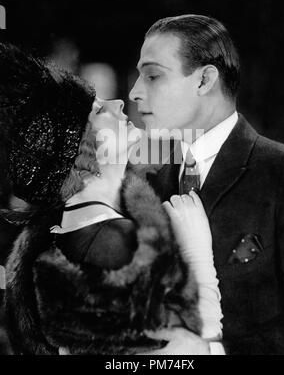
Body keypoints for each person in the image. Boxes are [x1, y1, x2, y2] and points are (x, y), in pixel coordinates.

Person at [0, 42, 222, 355]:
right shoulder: (119, 243)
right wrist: (198, 256)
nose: (119, 103)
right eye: (100, 110)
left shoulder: (63, 233)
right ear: (81, 148)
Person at [129, 14, 284, 355]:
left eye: (152, 76)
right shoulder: (141, 183)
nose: (135, 92)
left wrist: (209, 351)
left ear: (205, 79)